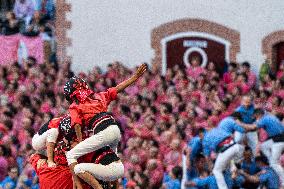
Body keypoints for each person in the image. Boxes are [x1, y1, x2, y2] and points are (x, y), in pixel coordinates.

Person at [64, 64, 147, 184]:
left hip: (103, 131)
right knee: (112, 163)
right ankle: (115, 186)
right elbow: (118, 88)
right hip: (115, 130)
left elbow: (76, 124)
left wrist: (81, 141)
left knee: (71, 155)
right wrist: (134, 77)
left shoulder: (75, 106)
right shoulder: (99, 96)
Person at [237, 108, 284, 187]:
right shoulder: (268, 115)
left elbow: (252, 127)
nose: (256, 118)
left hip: (279, 140)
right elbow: (251, 128)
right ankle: (270, 160)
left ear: (258, 115)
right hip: (275, 138)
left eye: (256, 117)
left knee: (274, 163)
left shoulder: (264, 119)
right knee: (263, 146)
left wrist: (239, 123)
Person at [202, 113, 245, 189]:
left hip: (226, 150)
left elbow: (207, 157)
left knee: (216, 171)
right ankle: (234, 168)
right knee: (227, 159)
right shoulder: (218, 129)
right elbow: (231, 136)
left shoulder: (205, 139)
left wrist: (211, 169)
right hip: (236, 146)